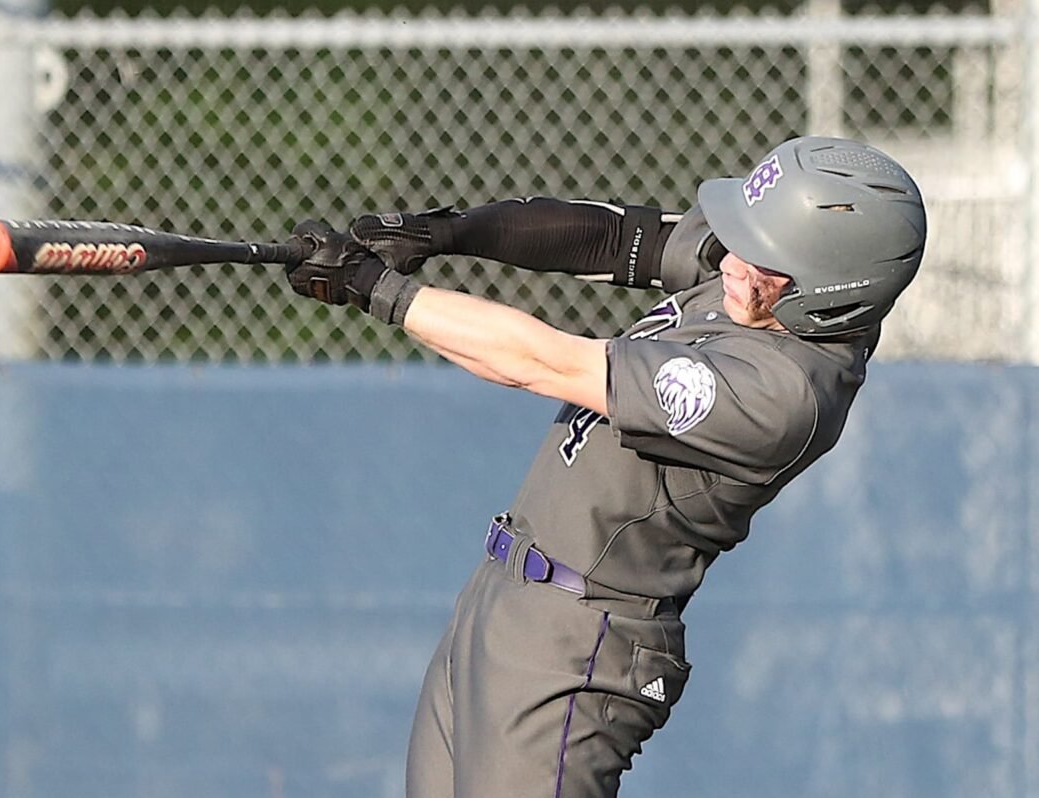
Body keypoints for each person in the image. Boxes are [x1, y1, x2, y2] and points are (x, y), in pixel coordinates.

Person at [282, 135, 927, 798]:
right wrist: (445, 232)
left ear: (831, 289)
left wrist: (379, 290)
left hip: (576, 645)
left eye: (762, 256)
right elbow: (617, 238)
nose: (732, 259)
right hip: (502, 597)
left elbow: (541, 363)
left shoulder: (782, 394)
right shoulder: (760, 290)